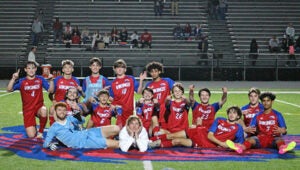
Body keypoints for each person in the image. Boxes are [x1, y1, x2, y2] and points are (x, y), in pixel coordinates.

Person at [226, 92, 297, 154]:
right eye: (264, 101)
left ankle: (283, 148)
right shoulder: (257, 116)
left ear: (272, 102)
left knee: (280, 140)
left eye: (268, 101)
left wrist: (283, 131)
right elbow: (251, 129)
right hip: (260, 139)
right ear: (261, 102)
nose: (266, 103)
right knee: (250, 140)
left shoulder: (278, 114)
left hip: (273, 138)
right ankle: (240, 148)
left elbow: (284, 130)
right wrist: (248, 130)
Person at [150, 106, 244, 149]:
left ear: (238, 116)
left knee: (176, 141)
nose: (231, 114)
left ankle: (155, 144)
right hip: (201, 133)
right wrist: (222, 144)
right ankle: (150, 140)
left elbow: (239, 145)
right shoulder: (220, 120)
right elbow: (210, 136)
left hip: (205, 144)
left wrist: (234, 146)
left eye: (234, 113)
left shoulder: (238, 128)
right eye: (230, 112)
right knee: (171, 135)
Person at [43, 102, 120, 150]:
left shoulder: (69, 118)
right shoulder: (54, 127)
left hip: (88, 132)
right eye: (59, 110)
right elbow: (45, 143)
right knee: (117, 144)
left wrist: (78, 116)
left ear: (66, 111)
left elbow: (82, 120)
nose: (62, 112)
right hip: (84, 142)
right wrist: (50, 145)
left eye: (64, 110)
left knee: (116, 128)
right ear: (56, 111)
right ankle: (130, 143)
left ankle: (129, 137)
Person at [7, 61, 54, 138]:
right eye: (29, 68)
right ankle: (34, 127)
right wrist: (13, 78)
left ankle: (40, 132)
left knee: (44, 110)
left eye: (33, 68)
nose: (31, 70)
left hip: (38, 107)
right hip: (28, 110)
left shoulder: (40, 79)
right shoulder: (22, 81)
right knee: (31, 135)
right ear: (25, 70)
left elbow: (51, 90)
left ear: (35, 69)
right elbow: (9, 89)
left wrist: (51, 80)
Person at [149, 83, 190, 148]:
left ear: (182, 92)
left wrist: (186, 98)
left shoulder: (185, 103)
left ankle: (151, 141)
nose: (177, 92)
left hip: (182, 131)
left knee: (172, 137)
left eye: (179, 91)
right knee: (158, 132)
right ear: (172, 93)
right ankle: (159, 142)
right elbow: (166, 103)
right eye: (175, 91)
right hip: (171, 130)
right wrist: (167, 99)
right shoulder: (170, 103)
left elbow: (189, 102)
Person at [109, 59, 146, 128]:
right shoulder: (113, 83)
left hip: (130, 110)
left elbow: (139, 92)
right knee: (120, 130)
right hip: (120, 111)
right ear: (114, 69)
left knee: (130, 130)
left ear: (125, 69)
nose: (119, 69)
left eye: (122, 67)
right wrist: (113, 105)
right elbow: (111, 98)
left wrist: (141, 80)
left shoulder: (131, 79)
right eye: (117, 67)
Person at [142, 61, 175, 131]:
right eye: (152, 72)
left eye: (156, 71)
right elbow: (145, 96)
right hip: (154, 112)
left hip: (166, 111)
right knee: (154, 131)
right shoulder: (149, 85)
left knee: (167, 131)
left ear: (159, 72)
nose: (153, 73)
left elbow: (177, 89)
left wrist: (171, 98)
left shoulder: (167, 81)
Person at [49, 59, 83, 125]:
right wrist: (53, 101)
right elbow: (51, 93)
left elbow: (78, 95)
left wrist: (77, 105)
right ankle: (53, 128)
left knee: (79, 110)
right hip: (59, 104)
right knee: (51, 109)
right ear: (63, 70)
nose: (67, 69)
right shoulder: (57, 79)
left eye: (69, 67)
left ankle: (78, 126)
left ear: (72, 69)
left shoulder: (76, 80)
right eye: (65, 67)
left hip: (71, 104)